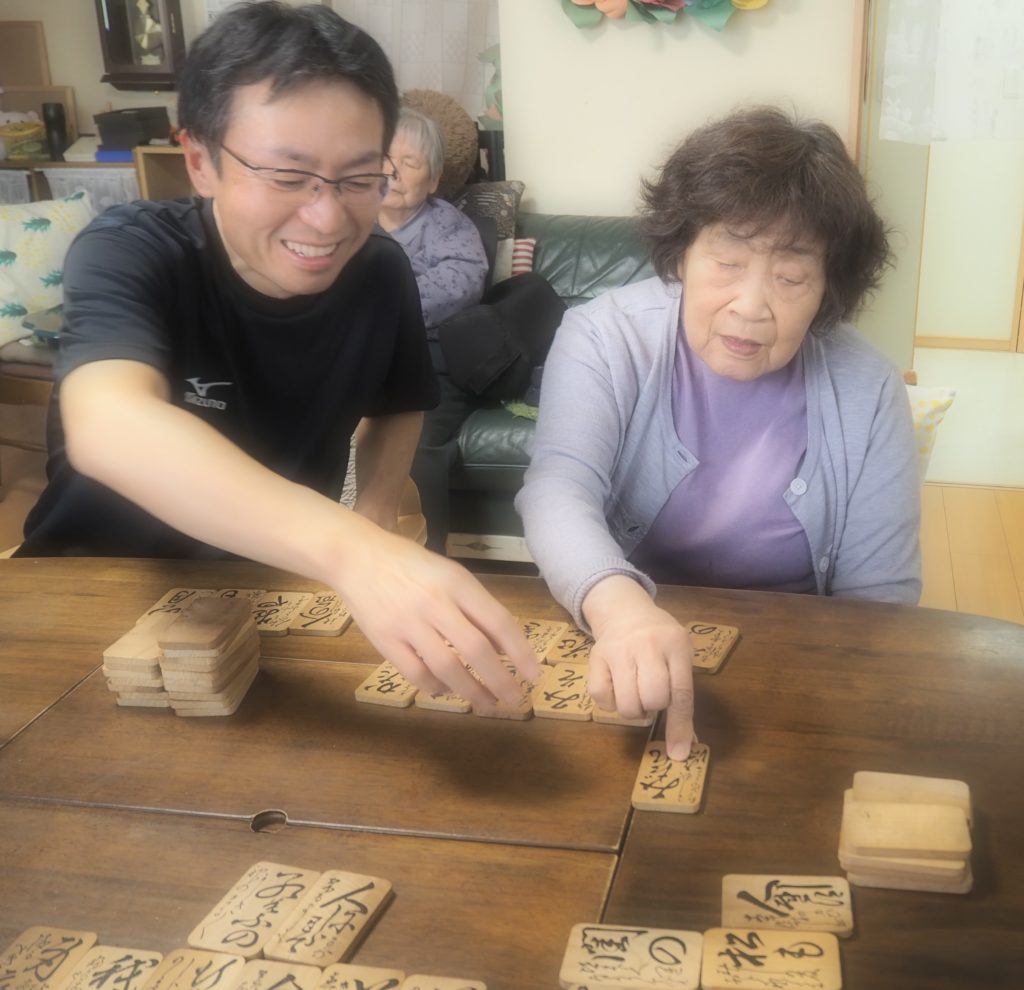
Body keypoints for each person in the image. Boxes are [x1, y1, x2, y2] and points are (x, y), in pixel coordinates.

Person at [17, 1, 539, 706]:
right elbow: (108, 424)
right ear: (200, 160)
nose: (327, 219)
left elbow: (400, 403)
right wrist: (354, 551)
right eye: (287, 177)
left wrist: (375, 513)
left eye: (360, 178)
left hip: (276, 592)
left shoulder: (381, 272)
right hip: (94, 585)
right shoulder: (132, 249)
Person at [516, 106, 921, 759]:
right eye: (727, 261)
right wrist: (619, 608)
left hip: (799, 671)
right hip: (624, 653)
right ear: (682, 254)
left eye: (792, 277)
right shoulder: (606, 337)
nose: (751, 305)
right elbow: (556, 490)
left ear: (828, 289)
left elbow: (881, 604)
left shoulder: (868, 387)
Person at [377, 108, 489, 552]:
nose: (392, 171)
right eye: (385, 158)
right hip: (351, 351)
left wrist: (374, 308)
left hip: (426, 354)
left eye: (410, 162)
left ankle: (426, 556)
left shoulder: (449, 226)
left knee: (417, 445)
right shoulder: (347, 218)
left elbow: (460, 286)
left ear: (434, 179)